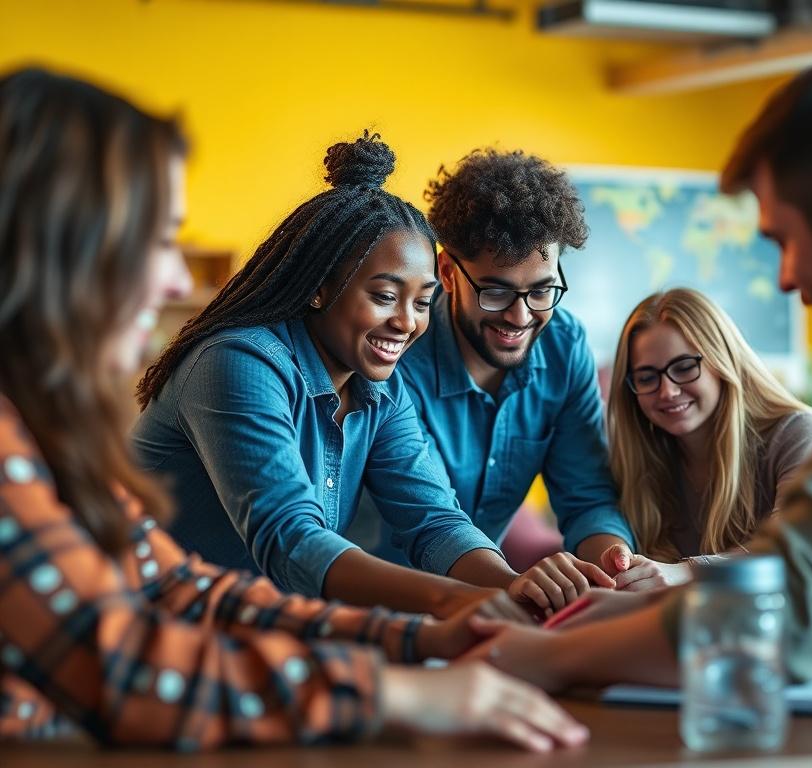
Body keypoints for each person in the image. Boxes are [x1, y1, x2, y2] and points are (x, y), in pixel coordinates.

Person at [0, 67, 589, 751]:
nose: (174, 279)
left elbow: (188, 589)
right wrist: (400, 685)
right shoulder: (236, 363)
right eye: (159, 240)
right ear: (63, 245)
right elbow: (130, 660)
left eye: (423, 299)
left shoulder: (46, 430)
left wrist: (445, 626)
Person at [460, 48, 812, 689]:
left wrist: (533, 659)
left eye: (784, 241)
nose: (786, 279)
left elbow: (805, 602)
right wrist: (630, 608)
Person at [132, 133, 556, 619]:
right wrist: (468, 602)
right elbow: (292, 539)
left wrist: (515, 587)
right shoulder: (238, 364)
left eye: (422, 302)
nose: (407, 322)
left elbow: (434, 521)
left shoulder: (379, 390)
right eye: (383, 296)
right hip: (148, 637)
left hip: (254, 638)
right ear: (319, 288)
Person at [354, 148, 636, 615]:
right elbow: (433, 520)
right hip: (374, 608)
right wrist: (515, 585)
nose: (520, 316)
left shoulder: (564, 347)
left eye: (542, 290)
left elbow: (586, 494)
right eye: (496, 290)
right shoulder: (395, 355)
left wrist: (614, 566)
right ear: (447, 272)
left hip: (487, 605)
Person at [599, 288, 812, 592]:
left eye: (684, 368)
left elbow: (797, 554)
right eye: (647, 377)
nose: (667, 391)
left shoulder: (798, 433)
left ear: (723, 361)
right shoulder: (639, 458)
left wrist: (685, 572)